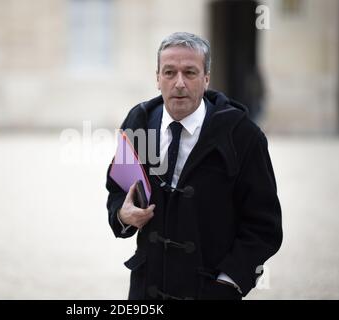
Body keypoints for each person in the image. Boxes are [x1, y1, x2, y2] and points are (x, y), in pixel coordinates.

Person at [105, 32, 282, 300]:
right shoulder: (138, 122)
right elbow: (117, 190)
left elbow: (264, 226)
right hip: (146, 290)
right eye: (169, 73)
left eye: (190, 72)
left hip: (210, 290)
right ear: (157, 78)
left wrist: (229, 282)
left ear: (206, 78)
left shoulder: (243, 135)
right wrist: (122, 215)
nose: (179, 83)